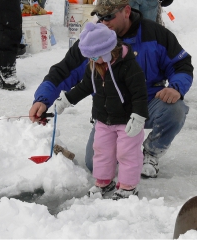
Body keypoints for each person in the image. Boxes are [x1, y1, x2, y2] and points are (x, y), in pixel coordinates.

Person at [29, 0, 194, 179]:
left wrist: (176, 88)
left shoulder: (155, 34)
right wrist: (43, 99)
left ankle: (150, 153)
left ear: (126, 11)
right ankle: (119, 147)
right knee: (95, 165)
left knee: (175, 109)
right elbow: (63, 71)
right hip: (110, 112)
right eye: (100, 16)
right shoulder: (93, 40)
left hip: (146, 105)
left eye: (109, 17)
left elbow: (182, 65)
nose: (103, 22)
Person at [55, 22, 148, 200]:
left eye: (95, 55)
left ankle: (128, 186)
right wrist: (66, 100)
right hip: (103, 119)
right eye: (90, 57)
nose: (92, 60)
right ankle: (104, 181)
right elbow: (84, 87)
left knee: (127, 153)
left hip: (127, 120)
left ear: (108, 50)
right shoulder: (94, 66)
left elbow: (140, 94)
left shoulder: (129, 66)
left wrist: (138, 117)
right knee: (102, 151)